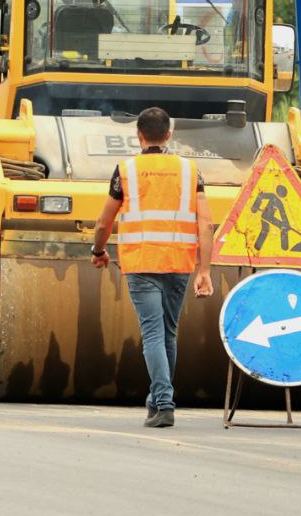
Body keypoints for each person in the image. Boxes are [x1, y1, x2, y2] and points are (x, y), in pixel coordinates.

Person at [91, 107, 214, 427]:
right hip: (179, 262)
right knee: (167, 334)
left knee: (153, 335)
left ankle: (163, 402)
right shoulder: (190, 171)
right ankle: (155, 399)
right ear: (169, 135)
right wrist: (205, 270)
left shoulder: (126, 170)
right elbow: (206, 223)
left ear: (139, 136)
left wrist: (99, 250)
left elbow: (105, 221)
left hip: (142, 262)